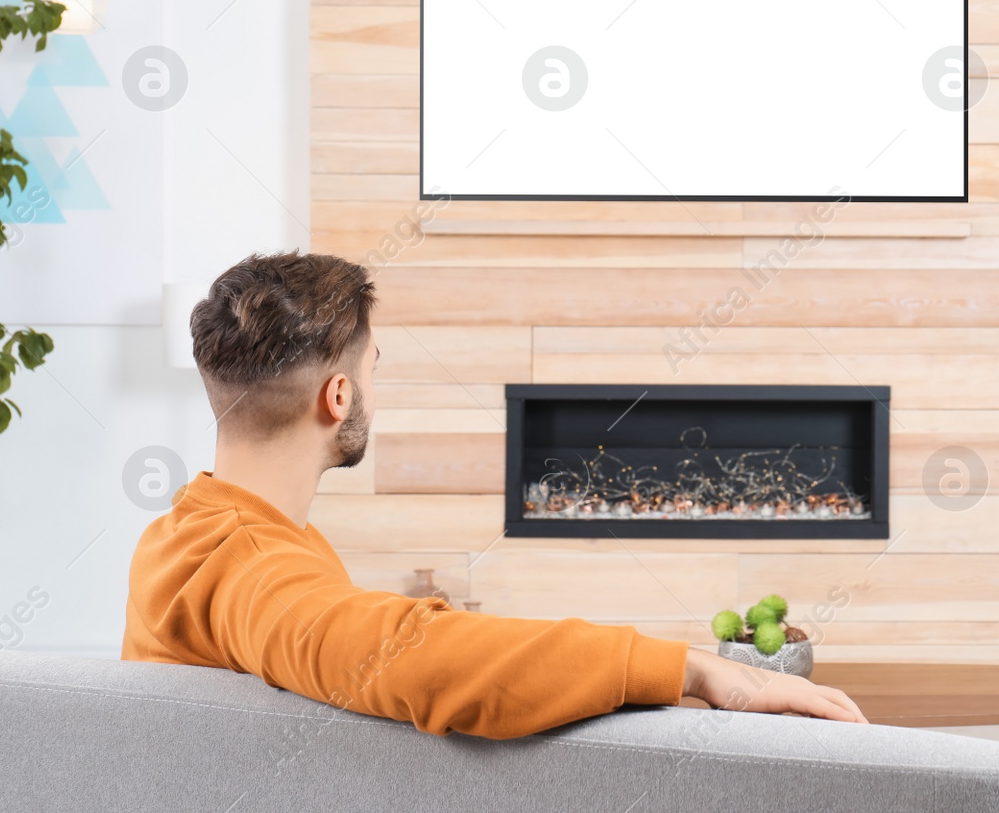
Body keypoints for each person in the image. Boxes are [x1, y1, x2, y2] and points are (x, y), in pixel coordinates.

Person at [123, 251, 865, 739]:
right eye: (375, 367)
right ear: (338, 394)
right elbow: (410, 654)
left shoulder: (182, 534)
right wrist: (699, 671)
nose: (378, 388)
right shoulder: (251, 564)